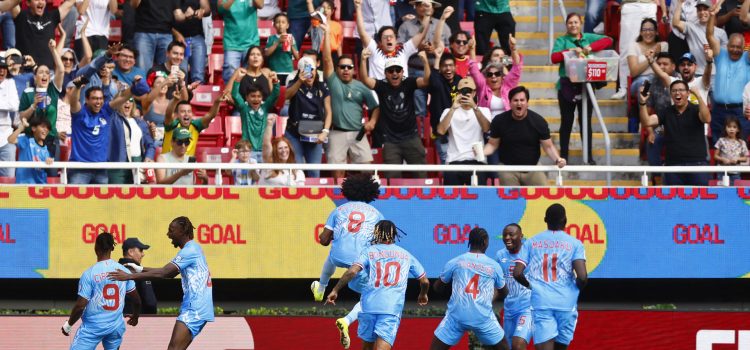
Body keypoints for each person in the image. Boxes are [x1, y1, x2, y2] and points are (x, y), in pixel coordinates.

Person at [108, 216, 214, 350]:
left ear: (182, 231)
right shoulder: (193, 248)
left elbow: (165, 273)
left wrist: (129, 276)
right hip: (197, 307)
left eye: (171, 230)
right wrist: (140, 268)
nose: (168, 234)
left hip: (195, 309)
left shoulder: (189, 250)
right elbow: (169, 272)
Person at [325, 220, 430, 350]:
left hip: (368, 306)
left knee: (367, 347)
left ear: (376, 233)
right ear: (394, 234)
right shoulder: (405, 255)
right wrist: (423, 294)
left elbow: (352, 271)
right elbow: (424, 281)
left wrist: (335, 290)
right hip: (390, 308)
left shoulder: (369, 251)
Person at [311, 173, 384, 349]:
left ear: (347, 191)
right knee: (369, 296)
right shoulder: (377, 214)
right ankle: (346, 320)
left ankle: (321, 287)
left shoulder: (338, 210)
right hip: (358, 263)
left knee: (332, 254)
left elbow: (323, 240)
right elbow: (379, 245)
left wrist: (335, 234)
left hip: (338, 257)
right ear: (370, 193)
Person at [513, 204, 588, 350]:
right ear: (565, 220)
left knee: (544, 346)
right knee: (561, 346)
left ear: (545, 219)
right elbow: (583, 277)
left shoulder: (531, 242)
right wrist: (574, 290)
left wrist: (531, 286)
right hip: (566, 302)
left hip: (541, 301)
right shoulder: (575, 244)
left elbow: (517, 273)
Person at [430, 228, 510, 350]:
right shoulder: (494, 266)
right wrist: (488, 297)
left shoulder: (455, 261)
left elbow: (437, 288)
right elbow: (504, 293)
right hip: (482, 317)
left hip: (457, 316)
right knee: (504, 346)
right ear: (484, 242)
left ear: (470, 241)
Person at [62, 232, 140, 350]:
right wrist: (136, 315)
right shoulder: (123, 271)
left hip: (93, 328)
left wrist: (68, 325)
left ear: (96, 248)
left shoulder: (89, 274)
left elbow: (80, 306)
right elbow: (137, 300)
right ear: (112, 248)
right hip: (115, 327)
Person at [551, 13, 613, 161]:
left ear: (581, 23)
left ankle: (589, 156)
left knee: (586, 122)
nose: (573, 25)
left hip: (586, 85)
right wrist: (571, 52)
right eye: (570, 23)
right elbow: (554, 58)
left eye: (576, 22)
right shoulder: (562, 40)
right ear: (566, 25)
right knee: (566, 121)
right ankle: (563, 156)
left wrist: (589, 48)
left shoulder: (588, 37)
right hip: (566, 85)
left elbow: (608, 40)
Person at [320, 25, 379, 180]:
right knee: (337, 175)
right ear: (337, 69)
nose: (346, 70)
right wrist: (327, 33)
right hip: (336, 133)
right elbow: (326, 59)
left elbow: (375, 107)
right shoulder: (333, 81)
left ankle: (364, 199)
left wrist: (372, 121)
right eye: (342, 67)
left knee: (368, 172)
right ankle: (339, 202)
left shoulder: (362, 86)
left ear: (354, 69)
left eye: (349, 67)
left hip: (357, 133)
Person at [360, 51, 430, 179]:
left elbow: (426, 81)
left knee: (421, 176)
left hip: (411, 137)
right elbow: (365, 80)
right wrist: (363, 60)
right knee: (392, 179)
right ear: (385, 74)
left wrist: (425, 62)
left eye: (398, 70)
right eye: (391, 71)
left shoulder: (409, 82)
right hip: (390, 140)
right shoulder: (382, 86)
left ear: (402, 72)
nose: (394, 73)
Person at [483, 86, 566, 186]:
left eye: (522, 100)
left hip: (533, 168)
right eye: (515, 100)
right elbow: (492, 144)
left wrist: (558, 159)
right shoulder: (499, 120)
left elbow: (548, 146)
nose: (519, 103)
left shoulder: (539, 122)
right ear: (510, 103)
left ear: (527, 103)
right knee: (510, 198)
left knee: (543, 194)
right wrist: (480, 153)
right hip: (508, 169)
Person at [639, 80, 711, 186]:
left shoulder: (696, 110)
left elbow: (707, 118)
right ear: (670, 94)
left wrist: (698, 96)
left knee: (699, 201)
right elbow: (647, 122)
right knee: (673, 202)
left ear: (688, 93)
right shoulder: (666, 111)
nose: (677, 93)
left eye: (681, 90)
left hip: (697, 164)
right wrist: (642, 103)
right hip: (673, 165)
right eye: (674, 91)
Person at [67, 77, 134, 185]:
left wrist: (135, 87)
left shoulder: (106, 112)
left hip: (101, 169)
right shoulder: (79, 114)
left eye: (100, 98)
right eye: (94, 98)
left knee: (102, 202)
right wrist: (78, 87)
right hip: (79, 169)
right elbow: (74, 102)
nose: (98, 102)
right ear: (87, 100)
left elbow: (122, 97)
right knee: (76, 202)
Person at [354, 0, 430, 80]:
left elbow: (420, 34)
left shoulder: (404, 50)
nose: (389, 39)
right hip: (378, 91)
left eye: (391, 37)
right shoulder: (375, 51)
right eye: (385, 37)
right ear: (380, 42)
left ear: (396, 40)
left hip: (401, 91)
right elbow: (362, 32)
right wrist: (358, 8)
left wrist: (427, 14)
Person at [284, 51, 331, 177]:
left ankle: (314, 196)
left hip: (314, 133)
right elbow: (285, 96)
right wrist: (300, 81)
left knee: (314, 171)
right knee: (297, 170)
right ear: (300, 72)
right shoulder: (294, 83)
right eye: (306, 71)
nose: (310, 74)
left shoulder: (322, 86)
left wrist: (325, 131)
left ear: (316, 70)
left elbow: (328, 111)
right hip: (294, 132)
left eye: (312, 70)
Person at [18, 39, 65, 168]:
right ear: (34, 77)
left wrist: (53, 50)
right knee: (32, 175)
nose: (44, 74)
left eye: (47, 73)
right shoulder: (28, 93)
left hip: (50, 139)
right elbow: (22, 117)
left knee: (52, 176)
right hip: (30, 140)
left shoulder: (53, 90)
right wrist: (33, 106)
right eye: (40, 72)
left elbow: (61, 70)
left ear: (49, 78)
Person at [437, 77, 491, 186]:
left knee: (479, 198)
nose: (466, 94)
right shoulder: (448, 111)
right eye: (463, 91)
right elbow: (441, 131)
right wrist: (453, 108)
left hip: (477, 160)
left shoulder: (484, 111)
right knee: (451, 199)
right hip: (454, 160)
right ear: (458, 93)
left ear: (474, 93)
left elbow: (486, 128)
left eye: (469, 91)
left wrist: (474, 107)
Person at [611, 0, 665, 100]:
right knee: (626, 48)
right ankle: (623, 87)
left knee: (651, 41)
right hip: (630, 5)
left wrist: (664, 12)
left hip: (649, 5)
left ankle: (654, 78)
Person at [0, 0, 76, 69]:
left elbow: (70, 2)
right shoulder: (21, 15)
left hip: (47, 74)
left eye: (43, 0)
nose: (40, 2)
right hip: (25, 73)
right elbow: (8, 4)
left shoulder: (52, 16)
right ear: (28, 3)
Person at [229, 67, 280, 162]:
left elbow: (275, 95)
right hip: (248, 151)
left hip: (264, 150)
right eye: (252, 96)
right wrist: (238, 79)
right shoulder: (244, 109)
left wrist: (275, 81)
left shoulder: (265, 108)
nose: (256, 99)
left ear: (262, 98)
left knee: (263, 176)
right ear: (247, 98)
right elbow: (235, 94)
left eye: (259, 96)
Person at [495, 224, 532, 350]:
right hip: (509, 310)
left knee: (518, 344)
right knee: (509, 347)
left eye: (511, 234)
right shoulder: (500, 255)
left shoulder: (530, 253)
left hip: (528, 309)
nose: (507, 238)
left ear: (521, 236)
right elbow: (497, 285)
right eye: (505, 235)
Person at [163, 89, 226, 157]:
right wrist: (175, 100)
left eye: (189, 111)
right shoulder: (172, 126)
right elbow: (168, 114)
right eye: (183, 111)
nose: (186, 114)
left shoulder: (195, 125)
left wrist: (217, 102)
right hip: (167, 165)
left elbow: (211, 115)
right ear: (177, 115)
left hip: (186, 166)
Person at [108, 96, 156, 184]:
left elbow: (150, 144)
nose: (127, 103)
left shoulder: (140, 122)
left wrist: (149, 156)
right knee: (117, 195)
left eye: (130, 100)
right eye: (123, 100)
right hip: (118, 165)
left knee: (137, 195)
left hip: (138, 162)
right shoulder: (112, 118)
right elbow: (107, 105)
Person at [672, 0, 727, 76]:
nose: (702, 12)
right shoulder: (691, 27)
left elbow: (725, 56)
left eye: (705, 9)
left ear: (711, 10)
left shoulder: (721, 32)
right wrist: (679, 3)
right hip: (696, 73)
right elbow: (675, 23)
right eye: (699, 10)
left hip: (715, 73)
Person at [429, 52, 462, 165]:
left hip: (458, 130)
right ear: (440, 68)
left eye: (451, 65)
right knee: (445, 161)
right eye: (445, 66)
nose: (448, 69)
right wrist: (437, 58)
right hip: (442, 132)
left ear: (455, 67)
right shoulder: (437, 81)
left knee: (460, 160)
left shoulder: (460, 81)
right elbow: (433, 80)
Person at [218, 0, 263, 84]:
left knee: (252, 78)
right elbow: (221, 10)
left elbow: (260, 5)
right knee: (230, 77)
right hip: (231, 43)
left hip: (251, 42)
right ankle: (230, 97)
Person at [131, 0, 181, 70]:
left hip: (166, 33)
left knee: (167, 71)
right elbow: (133, 5)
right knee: (142, 70)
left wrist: (191, 14)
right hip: (144, 32)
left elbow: (178, 13)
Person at [260, 116, 306, 186]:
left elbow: (301, 192)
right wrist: (269, 125)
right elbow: (266, 144)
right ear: (274, 151)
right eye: (280, 148)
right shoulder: (269, 166)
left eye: (286, 147)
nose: (284, 150)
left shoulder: (298, 171)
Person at [173, 0, 211, 84]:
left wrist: (201, 11)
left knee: (198, 76)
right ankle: (181, 97)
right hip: (179, 40)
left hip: (197, 37)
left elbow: (207, 10)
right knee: (181, 75)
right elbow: (168, 16)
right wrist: (175, 33)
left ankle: (196, 97)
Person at [7, 116, 53, 183]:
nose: (46, 129)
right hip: (23, 184)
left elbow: (47, 161)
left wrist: (49, 160)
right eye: (43, 126)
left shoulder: (46, 149)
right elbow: (10, 140)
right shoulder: (26, 141)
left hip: (40, 186)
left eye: (47, 128)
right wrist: (20, 129)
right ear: (33, 128)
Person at [119, 237, 158, 315]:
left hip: (115, 322)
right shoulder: (140, 273)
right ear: (130, 252)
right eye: (141, 250)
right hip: (136, 322)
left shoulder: (114, 270)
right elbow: (150, 303)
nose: (143, 254)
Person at [265, 13, 300, 83]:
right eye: (278, 22)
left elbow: (297, 57)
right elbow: (266, 53)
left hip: (288, 71)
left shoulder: (291, 37)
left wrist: (291, 45)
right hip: (274, 72)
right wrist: (278, 42)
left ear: (287, 25)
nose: (280, 24)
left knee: (287, 92)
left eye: (283, 22)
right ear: (274, 25)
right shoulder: (271, 38)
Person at [0, 55, 19, 177]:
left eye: (4, 68)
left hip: (6, 137)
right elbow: (10, 104)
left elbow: (15, 105)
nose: (2, 70)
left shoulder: (10, 82)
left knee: (9, 180)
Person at [714, 116, 748, 183]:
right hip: (722, 171)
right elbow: (715, 156)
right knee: (722, 190)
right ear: (725, 128)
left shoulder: (741, 142)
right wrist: (723, 159)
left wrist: (737, 159)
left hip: (735, 172)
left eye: (734, 127)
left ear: (738, 129)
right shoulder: (721, 140)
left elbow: (745, 158)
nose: (731, 129)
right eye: (729, 127)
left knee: (734, 190)